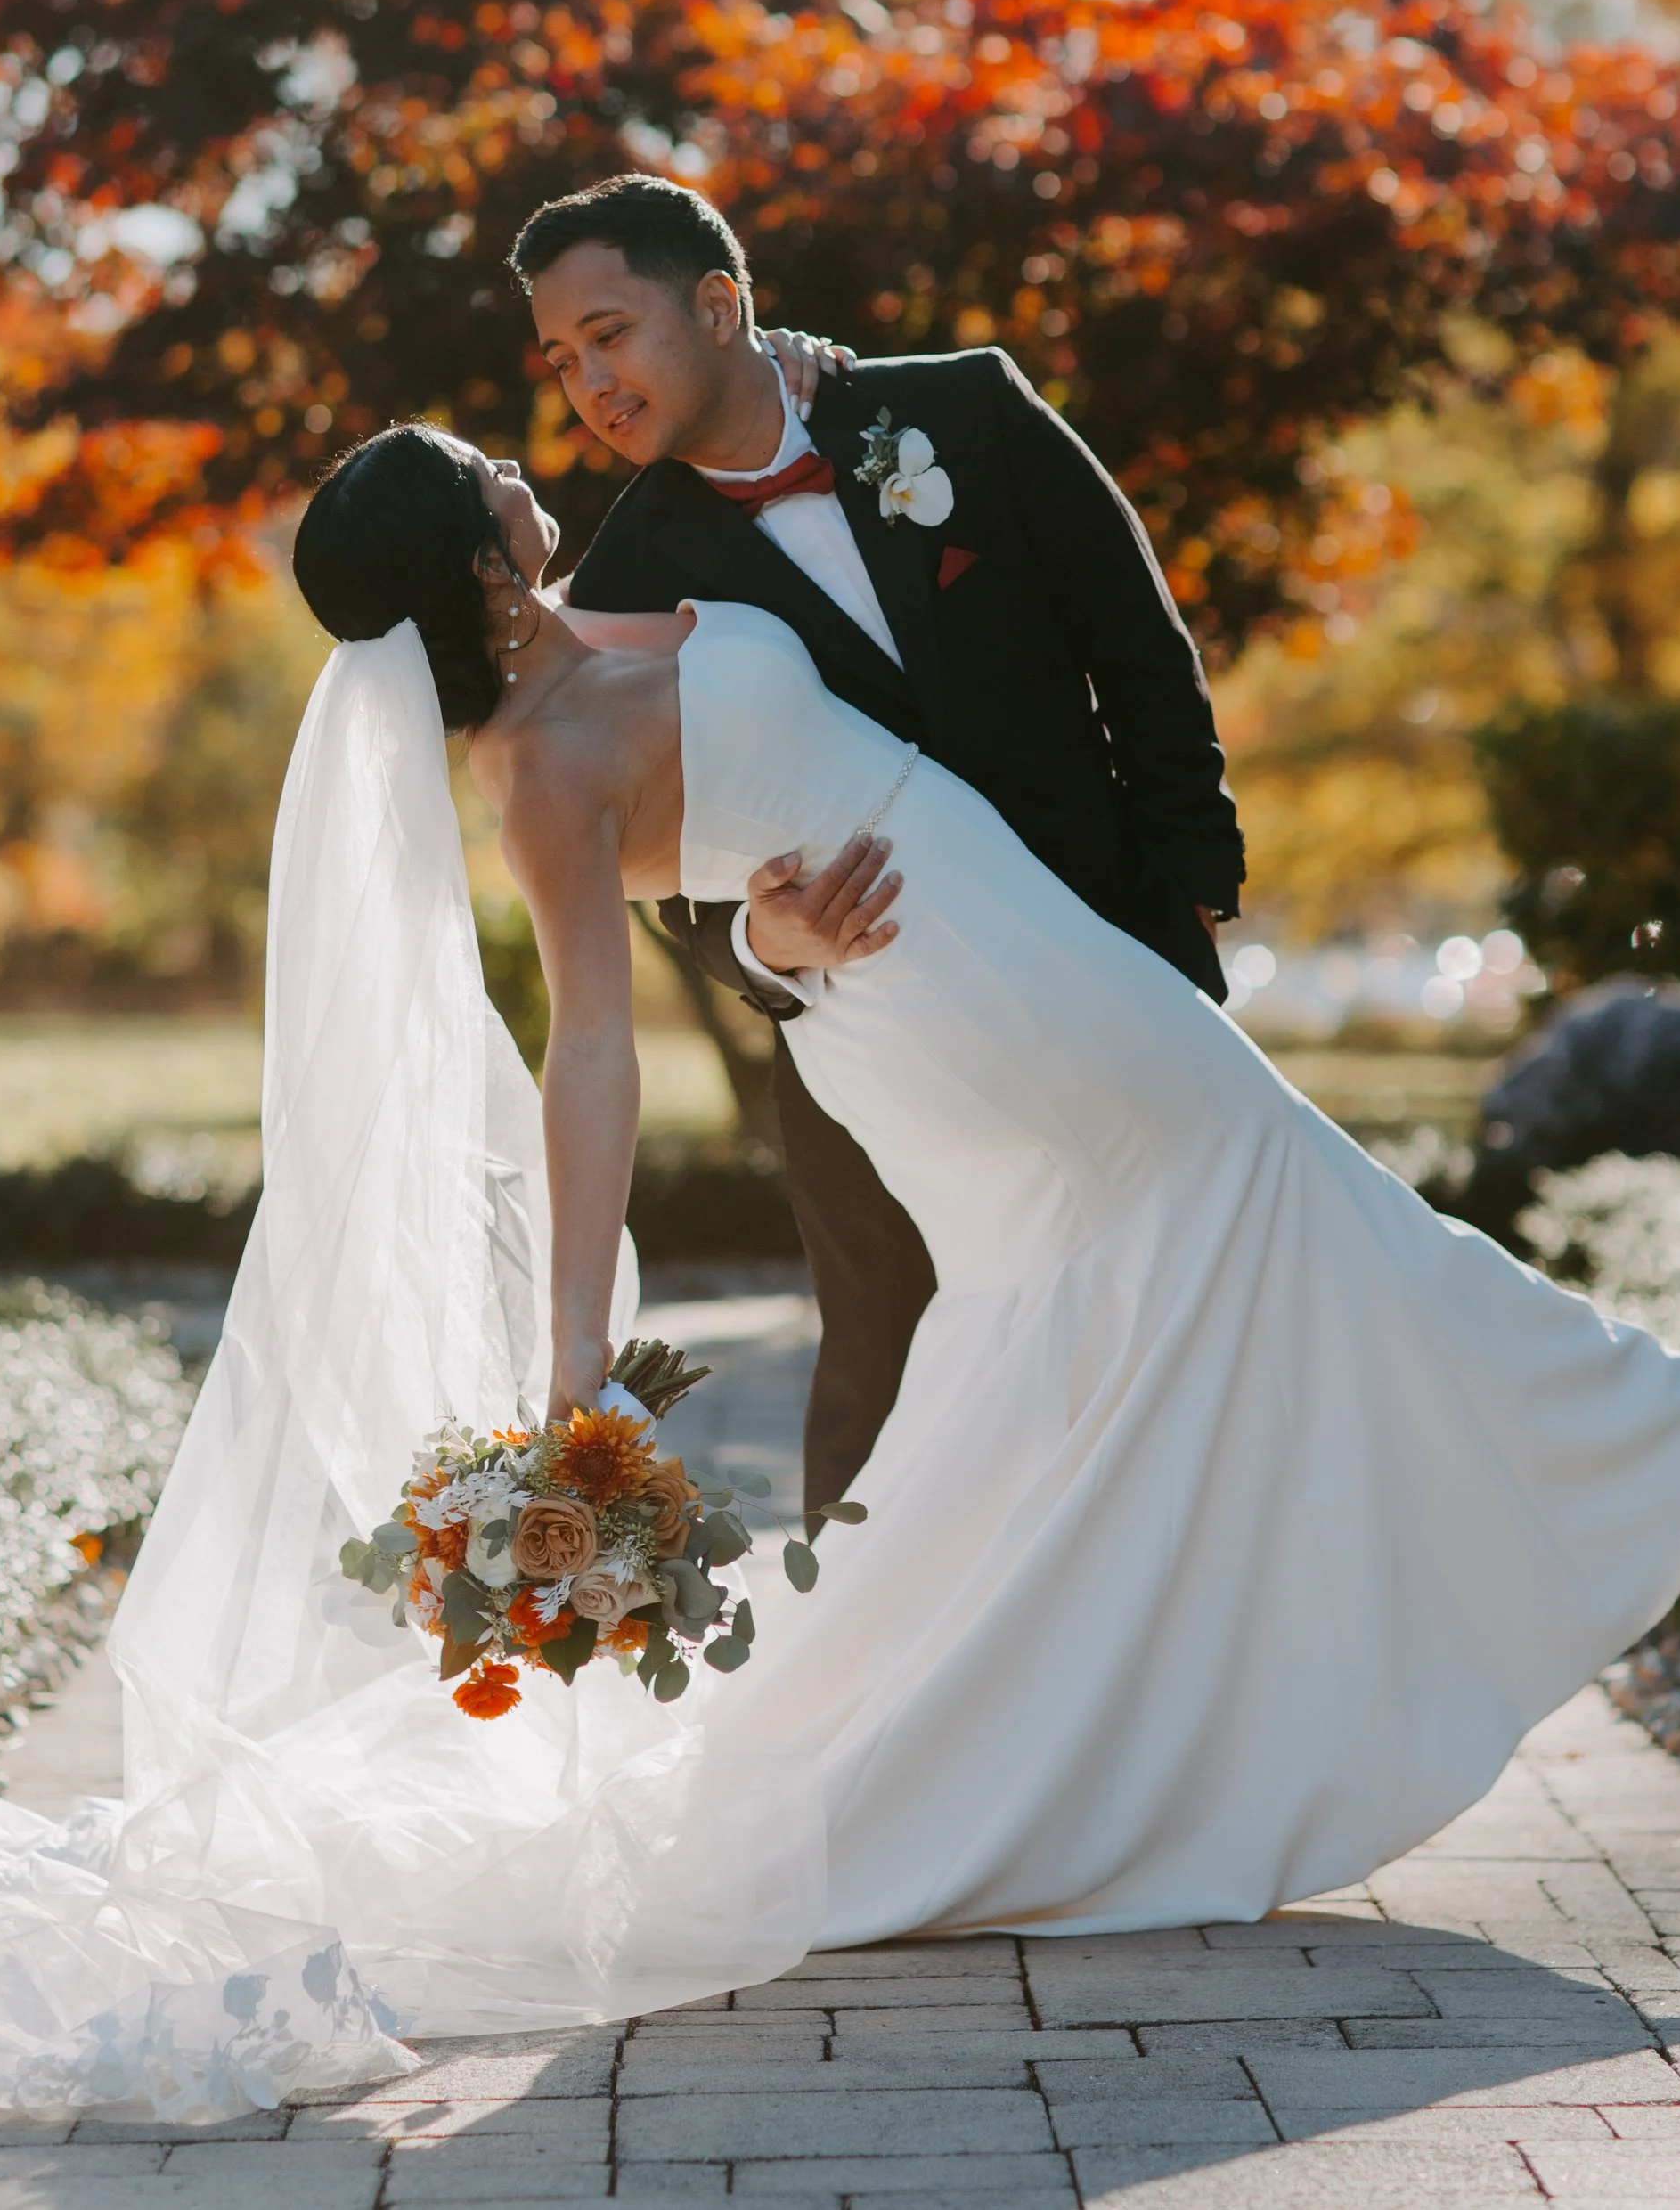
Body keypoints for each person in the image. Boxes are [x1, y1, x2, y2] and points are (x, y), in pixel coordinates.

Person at [0, 423, 1680, 2121]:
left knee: (1139, 1295)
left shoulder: (616, 610)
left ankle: (1006, 1746)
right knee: (1269, 1199)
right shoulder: (534, 768)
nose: (521, 443)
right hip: (945, 1006)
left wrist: (763, 915)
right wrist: (575, 1359)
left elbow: (785, 682)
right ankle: (1661, 1438)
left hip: (1003, 933)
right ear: (469, 557)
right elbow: (588, 1043)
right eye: (485, 458)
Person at [512, 174, 1247, 1511]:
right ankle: (864, 1702)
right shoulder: (617, 589)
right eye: (564, 360)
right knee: (888, 1376)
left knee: (1187, 1314)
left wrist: (1190, 906)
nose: (590, 384)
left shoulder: (962, 408)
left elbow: (1138, 650)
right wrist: (759, 941)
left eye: (609, 332)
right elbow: (655, 859)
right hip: (868, 1025)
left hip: (1108, 951)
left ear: (720, 302)